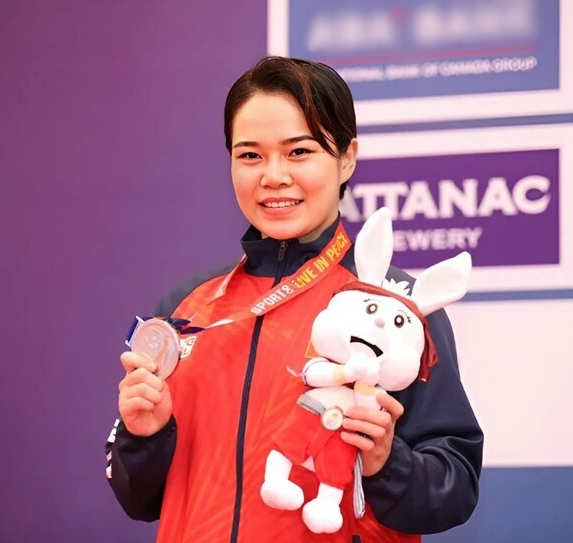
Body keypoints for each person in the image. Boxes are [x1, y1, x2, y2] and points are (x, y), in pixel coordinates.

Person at [105, 56, 483, 542]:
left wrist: (387, 461)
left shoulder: (397, 308)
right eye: (250, 155)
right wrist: (144, 437)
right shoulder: (188, 307)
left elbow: (455, 489)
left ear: (346, 158)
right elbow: (139, 500)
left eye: (299, 151)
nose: (273, 176)